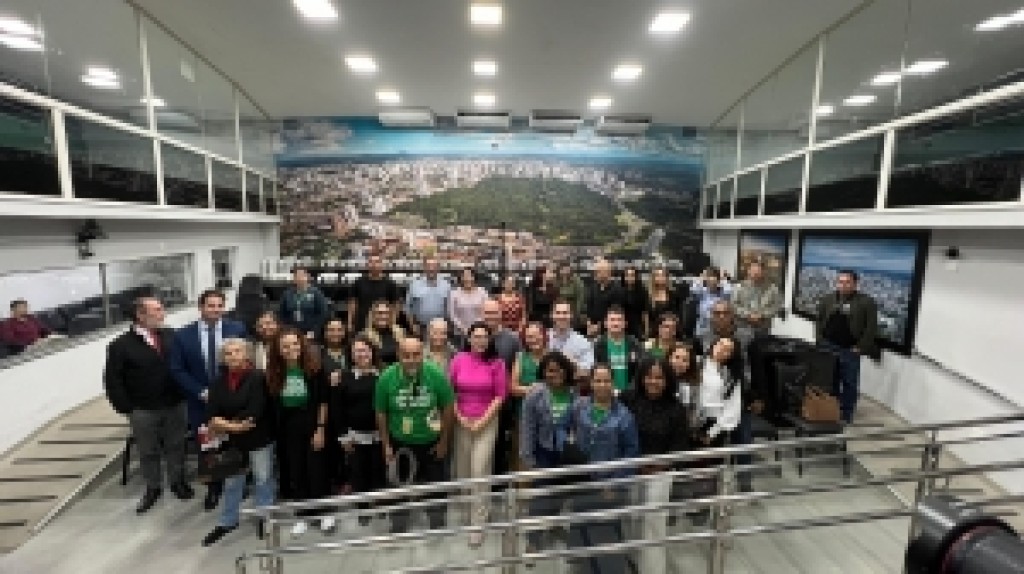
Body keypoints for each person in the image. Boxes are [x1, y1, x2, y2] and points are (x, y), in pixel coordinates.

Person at [103, 297, 193, 514]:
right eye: (157, 310)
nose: (163, 314)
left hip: (175, 403)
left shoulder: (171, 335)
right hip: (143, 409)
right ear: (140, 315)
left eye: (162, 309)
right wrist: (127, 408)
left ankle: (177, 481)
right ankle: (153, 487)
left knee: (176, 445)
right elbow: (113, 380)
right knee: (148, 451)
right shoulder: (120, 346)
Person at [169, 289, 247, 511]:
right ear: (200, 307)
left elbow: (245, 362)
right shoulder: (183, 335)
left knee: (235, 444)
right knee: (208, 446)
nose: (216, 310)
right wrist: (200, 391)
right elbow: (177, 369)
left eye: (220, 305)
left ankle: (237, 485)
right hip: (200, 402)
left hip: (233, 399)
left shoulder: (237, 329)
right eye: (211, 305)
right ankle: (214, 487)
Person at [374, 338, 455, 533]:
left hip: (431, 442)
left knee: (435, 486)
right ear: (398, 355)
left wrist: (444, 441)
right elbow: (381, 412)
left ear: (423, 354)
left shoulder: (436, 374)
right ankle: (399, 523)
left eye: (416, 355)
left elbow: (448, 407)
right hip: (400, 442)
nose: (411, 360)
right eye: (406, 356)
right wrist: (386, 444)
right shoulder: (386, 378)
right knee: (398, 486)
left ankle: (437, 521)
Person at [565, 363, 639, 574]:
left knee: (606, 534)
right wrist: (569, 454)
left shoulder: (624, 416)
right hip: (583, 481)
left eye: (606, 380)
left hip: (609, 486)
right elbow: (562, 428)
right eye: (597, 380)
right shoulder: (579, 407)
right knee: (582, 527)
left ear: (613, 383)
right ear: (591, 382)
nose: (602, 385)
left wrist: (615, 483)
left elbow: (631, 453)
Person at [619, 356, 690, 574]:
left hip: (660, 474)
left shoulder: (676, 409)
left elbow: (680, 446)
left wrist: (657, 466)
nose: (653, 381)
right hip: (629, 469)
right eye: (649, 376)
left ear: (668, 380)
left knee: (653, 524)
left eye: (659, 377)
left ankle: (651, 569)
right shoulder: (627, 398)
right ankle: (630, 561)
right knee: (629, 518)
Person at [201, 338, 275, 546]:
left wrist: (223, 423)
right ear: (223, 358)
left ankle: (264, 517)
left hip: (259, 437)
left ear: (246, 354)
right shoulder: (218, 382)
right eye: (228, 353)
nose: (233, 356)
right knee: (232, 482)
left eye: (237, 351)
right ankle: (228, 521)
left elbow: (254, 411)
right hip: (232, 441)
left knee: (262, 479)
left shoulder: (258, 377)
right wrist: (234, 427)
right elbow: (211, 414)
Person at [265, 327, 331, 534]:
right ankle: (303, 514)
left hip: (312, 424)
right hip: (288, 428)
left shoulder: (315, 368)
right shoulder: (274, 373)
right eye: (285, 346)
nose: (291, 348)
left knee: (317, 469)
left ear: (301, 345)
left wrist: (320, 429)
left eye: (295, 344)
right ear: (278, 349)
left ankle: (325, 512)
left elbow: (323, 402)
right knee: (297, 470)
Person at [448, 322, 507, 547]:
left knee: (479, 469)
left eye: (485, 337)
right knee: (463, 470)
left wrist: (482, 421)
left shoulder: (497, 363)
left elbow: (500, 396)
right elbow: (450, 391)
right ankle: (467, 511)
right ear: (469, 339)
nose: (481, 340)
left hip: (487, 421)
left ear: (490, 340)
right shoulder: (458, 359)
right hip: (462, 421)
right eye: (477, 336)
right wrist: (459, 417)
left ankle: (478, 522)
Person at [519, 351, 579, 552]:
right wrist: (527, 457)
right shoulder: (535, 395)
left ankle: (553, 525)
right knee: (541, 497)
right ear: (543, 373)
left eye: (559, 369)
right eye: (550, 371)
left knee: (561, 493)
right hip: (543, 451)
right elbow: (527, 427)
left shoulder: (574, 393)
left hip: (566, 452)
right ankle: (533, 539)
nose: (555, 374)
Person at [333, 335, 386, 525]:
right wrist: (343, 437)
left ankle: (379, 504)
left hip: (381, 436)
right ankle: (363, 509)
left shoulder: (384, 374)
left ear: (372, 352)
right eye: (357, 351)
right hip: (355, 436)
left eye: (365, 350)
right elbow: (337, 408)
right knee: (358, 473)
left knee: (378, 472)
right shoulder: (344, 377)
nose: (361, 354)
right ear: (351, 354)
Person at [814, 269, 878, 423]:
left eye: (847, 282)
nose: (843, 285)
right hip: (828, 346)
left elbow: (871, 328)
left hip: (849, 350)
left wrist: (861, 347)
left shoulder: (866, 302)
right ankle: (831, 409)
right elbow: (819, 320)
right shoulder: (828, 299)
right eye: (840, 282)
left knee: (849, 383)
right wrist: (819, 339)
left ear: (855, 284)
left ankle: (846, 414)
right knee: (830, 380)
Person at [481, 299, 522, 476]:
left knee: (499, 449)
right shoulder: (475, 335)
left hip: (502, 405)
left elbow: (517, 370)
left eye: (494, 313)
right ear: (482, 314)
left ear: (500, 314)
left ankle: (497, 485)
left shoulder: (513, 339)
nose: (490, 316)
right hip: (478, 404)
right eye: (487, 313)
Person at [508, 322, 546, 470]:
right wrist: (532, 389)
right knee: (524, 455)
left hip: (550, 415)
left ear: (544, 336)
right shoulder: (520, 357)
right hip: (525, 415)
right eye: (529, 336)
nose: (534, 339)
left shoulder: (552, 355)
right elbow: (512, 387)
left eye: (537, 335)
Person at [697, 336, 742, 448]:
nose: (721, 349)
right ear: (713, 345)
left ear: (731, 356)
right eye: (721, 344)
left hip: (714, 423)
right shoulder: (696, 363)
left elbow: (733, 406)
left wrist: (713, 432)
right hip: (690, 418)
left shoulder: (731, 376)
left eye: (727, 349)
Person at [321, 318, 349, 493]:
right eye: (331, 329)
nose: (335, 333)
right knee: (333, 449)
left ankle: (349, 480)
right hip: (329, 409)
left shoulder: (352, 352)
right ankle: (335, 482)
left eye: (339, 329)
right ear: (325, 333)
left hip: (351, 407)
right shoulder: (318, 355)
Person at [593, 305, 642, 394]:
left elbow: (639, 370)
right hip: (605, 393)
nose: (616, 323)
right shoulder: (597, 345)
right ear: (605, 323)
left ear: (625, 323)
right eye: (612, 320)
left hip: (630, 394)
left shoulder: (634, 344)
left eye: (619, 320)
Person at [546, 300, 594, 391]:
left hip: (573, 391)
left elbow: (589, 372)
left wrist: (571, 364)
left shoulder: (583, 342)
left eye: (565, 313)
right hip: (546, 391)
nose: (562, 316)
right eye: (558, 313)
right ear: (552, 315)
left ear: (571, 315)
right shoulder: (543, 337)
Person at [348, 254, 399, 333]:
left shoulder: (390, 284)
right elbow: (353, 304)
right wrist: (350, 323)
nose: (374, 265)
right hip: (362, 325)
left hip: (383, 326)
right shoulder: (358, 282)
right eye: (371, 262)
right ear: (367, 265)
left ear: (382, 265)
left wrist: (393, 323)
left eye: (377, 262)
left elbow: (395, 306)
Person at [278, 267, 330, 340]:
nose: (299, 278)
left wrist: (314, 331)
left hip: (311, 332)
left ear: (308, 277)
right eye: (296, 276)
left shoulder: (316, 293)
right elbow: (282, 314)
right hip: (292, 333)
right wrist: (287, 330)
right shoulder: (287, 294)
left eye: (302, 275)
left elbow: (323, 313)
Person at [733, 261, 782, 338]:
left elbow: (776, 307)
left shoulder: (773, 289)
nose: (755, 274)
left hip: (763, 327)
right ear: (748, 271)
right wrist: (748, 315)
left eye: (758, 271)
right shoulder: (739, 287)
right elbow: (734, 305)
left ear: (763, 272)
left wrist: (762, 315)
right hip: (743, 327)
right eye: (753, 271)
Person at [404, 257, 450, 339]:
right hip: (420, 327)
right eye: (428, 265)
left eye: (434, 266)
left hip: (440, 328)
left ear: (438, 268)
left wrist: (447, 326)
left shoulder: (446, 285)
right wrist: (412, 325)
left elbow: (449, 308)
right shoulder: (414, 285)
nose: (431, 269)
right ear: (424, 268)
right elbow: (408, 308)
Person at [584, 259, 624, 338]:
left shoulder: (617, 289)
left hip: (610, 330)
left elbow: (616, 312)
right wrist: (589, 323)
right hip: (592, 329)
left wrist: (599, 326)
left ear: (609, 272)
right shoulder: (593, 287)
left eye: (600, 271)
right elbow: (589, 306)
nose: (598, 274)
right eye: (597, 271)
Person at [447, 267, 488, 344]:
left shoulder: (482, 292)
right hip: (459, 334)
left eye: (470, 276)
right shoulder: (454, 293)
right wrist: (464, 329)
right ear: (461, 278)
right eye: (464, 276)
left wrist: (474, 329)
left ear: (474, 277)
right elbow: (452, 315)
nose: (467, 279)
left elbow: (485, 311)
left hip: (478, 333)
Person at [362, 299, 407, 366]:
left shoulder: (400, 333)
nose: (383, 316)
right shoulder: (365, 336)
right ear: (373, 316)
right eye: (380, 313)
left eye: (387, 313)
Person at [691, 266, 732, 338]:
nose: (712, 280)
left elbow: (728, 290)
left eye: (715, 277)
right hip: (704, 329)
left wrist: (724, 278)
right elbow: (693, 289)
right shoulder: (702, 292)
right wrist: (701, 277)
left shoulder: (723, 293)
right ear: (706, 280)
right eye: (709, 277)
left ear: (718, 280)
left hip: (720, 329)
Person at [647, 266, 684, 339]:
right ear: (654, 278)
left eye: (663, 276)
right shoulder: (648, 297)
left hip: (672, 333)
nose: (661, 278)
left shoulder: (674, 295)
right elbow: (647, 317)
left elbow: (678, 315)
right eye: (658, 276)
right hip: (654, 334)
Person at [620, 266, 650, 340]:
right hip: (622, 325)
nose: (630, 278)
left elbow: (645, 313)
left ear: (636, 277)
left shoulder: (642, 291)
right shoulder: (618, 291)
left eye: (632, 275)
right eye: (627, 275)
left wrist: (646, 330)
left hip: (637, 326)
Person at [555, 261, 586, 330]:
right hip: (559, 312)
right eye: (562, 269)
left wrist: (577, 314)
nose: (564, 271)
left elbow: (580, 299)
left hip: (573, 312)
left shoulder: (577, 281)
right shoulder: (557, 281)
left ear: (570, 270)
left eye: (566, 269)